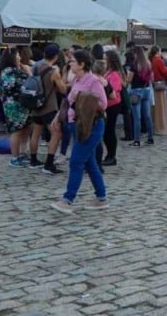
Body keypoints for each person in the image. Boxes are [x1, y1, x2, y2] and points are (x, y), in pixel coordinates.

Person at [50, 49, 109, 214]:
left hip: (90, 126)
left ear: (82, 64)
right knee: (90, 163)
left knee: (76, 161)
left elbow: (103, 104)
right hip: (76, 125)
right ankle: (101, 197)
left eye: (73, 61)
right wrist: (58, 117)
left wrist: (82, 96)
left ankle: (68, 199)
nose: (70, 63)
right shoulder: (76, 79)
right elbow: (68, 102)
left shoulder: (93, 81)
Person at [29, 44, 67, 174]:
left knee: (36, 133)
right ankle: (49, 164)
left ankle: (33, 160)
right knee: (56, 133)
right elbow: (62, 89)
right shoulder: (53, 71)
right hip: (49, 107)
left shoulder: (35, 68)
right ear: (56, 56)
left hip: (35, 105)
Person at [0, 49, 32, 168]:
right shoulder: (11, 72)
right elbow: (28, 82)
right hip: (15, 105)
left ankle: (22, 154)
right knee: (16, 130)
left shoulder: (9, 71)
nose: (19, 57)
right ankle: (15, 157)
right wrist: (28, 72)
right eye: (17, 55)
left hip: (19, 104)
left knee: (24, 128)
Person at [99, 50, 124, 166]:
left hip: (113, 105)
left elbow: (114, 89)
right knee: (106, 131)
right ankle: (109, 155)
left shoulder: (114, 74)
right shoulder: (107, 72)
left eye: (105, 59)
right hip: (106, 105)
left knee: (109, 131)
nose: (103, 61)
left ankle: (111, 156)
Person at [125, 46, 154, 146]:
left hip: (136, 91)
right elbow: (151, 78)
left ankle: (137, 140)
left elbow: (129, 80)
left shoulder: (134, 65)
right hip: (146, 90)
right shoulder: (148, 64)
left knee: (137, 117)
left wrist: (126, 77)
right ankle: (150, 138)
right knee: (147, 116)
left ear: (135, 54)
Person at [150, 45, 167, 135]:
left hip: (154, 84)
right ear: (158, 52)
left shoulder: (151, 60)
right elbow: (165, 72)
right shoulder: (158, 60)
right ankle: (160, 127)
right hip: (160, 85)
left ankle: (155, 126)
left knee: (155, 108)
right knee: (161, 108)